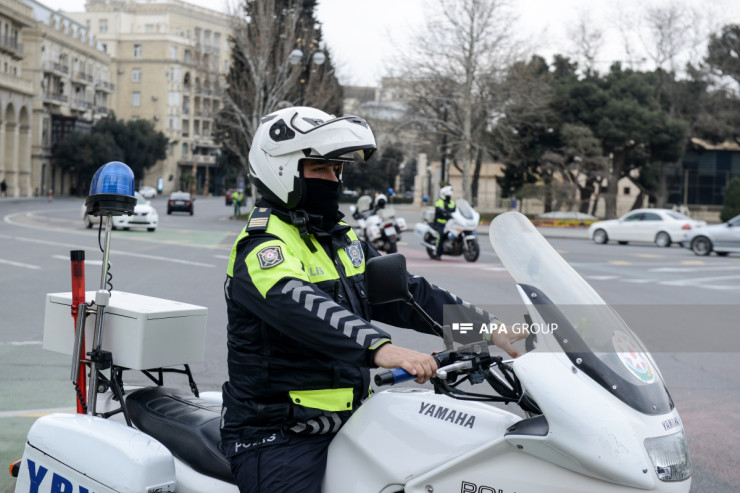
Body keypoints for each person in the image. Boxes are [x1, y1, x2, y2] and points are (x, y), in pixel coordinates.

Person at [220, 106, 521, 493]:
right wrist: (381, 348)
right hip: (278, 433)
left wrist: (488, 329)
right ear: (282, 170)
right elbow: (301, 305)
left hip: (352, 419)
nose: (334, 179)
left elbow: (409, 294)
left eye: (337, 169)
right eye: (320, 168)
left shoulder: (339, 239)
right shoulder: (262, 245)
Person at [432, 185, 456, 260]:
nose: (449, 197)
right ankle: (437, 253)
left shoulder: (452, 202)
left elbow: (456, 211)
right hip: (440, 224)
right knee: (441, 236)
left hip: (450, 224)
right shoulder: (439, 202)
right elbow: (439, 209)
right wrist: (444, 211)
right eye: (447, 196)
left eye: (449, 196)